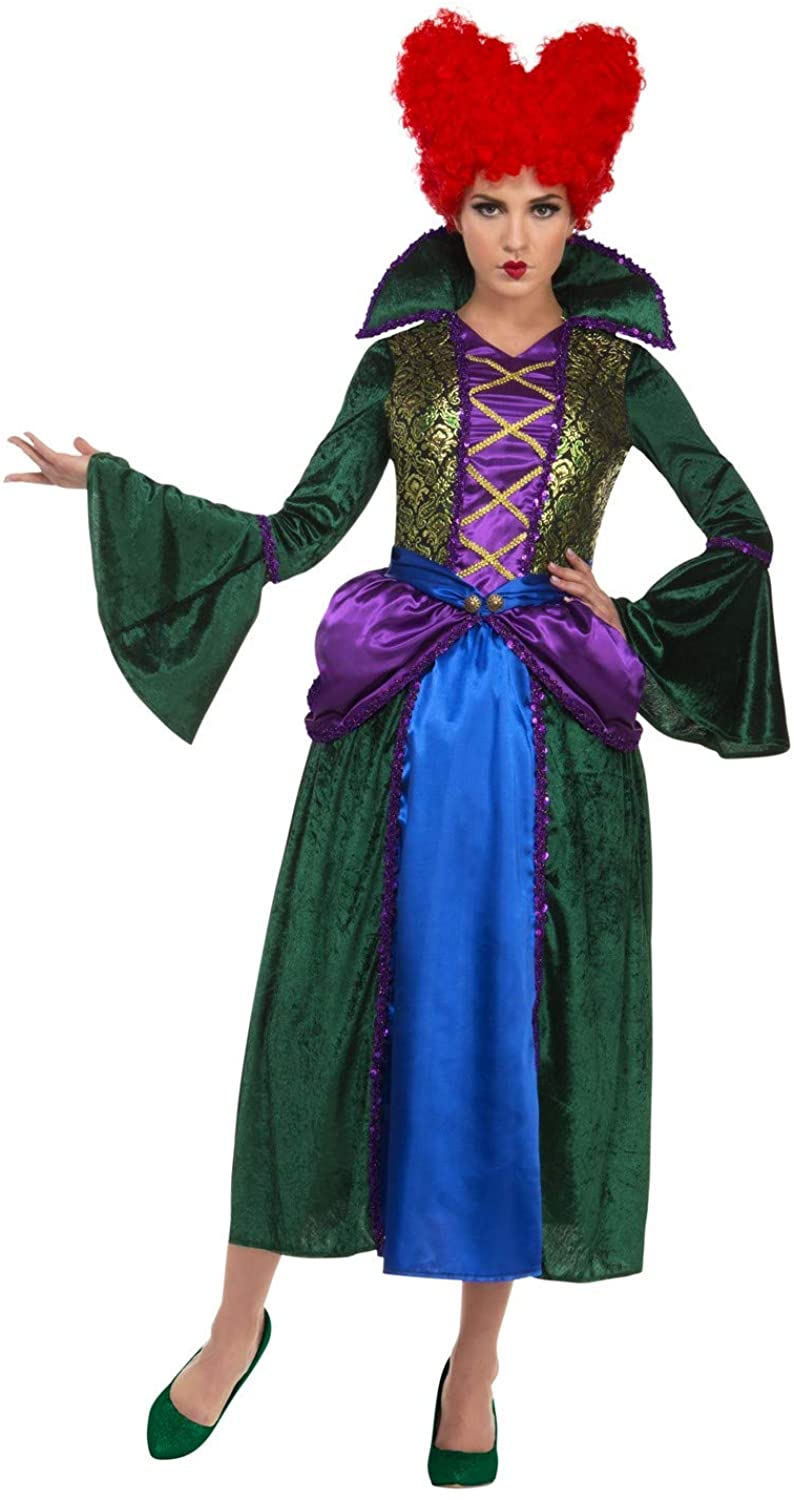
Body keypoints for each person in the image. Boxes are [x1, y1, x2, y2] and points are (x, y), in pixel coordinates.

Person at [6, 8, 789, 1487]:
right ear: (451, 200)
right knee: (315, 1006)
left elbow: (743, 529)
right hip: (396, 727)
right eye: (489, 204)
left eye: (542, 205)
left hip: (558, 746)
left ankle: (475, 1362)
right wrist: (113, 487)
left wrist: (623, 614)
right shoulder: (404, 366)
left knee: (521, 1035)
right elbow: (299, 531)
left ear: (580, 208)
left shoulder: (623, 377)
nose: (516, 235)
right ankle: (236, 1321)